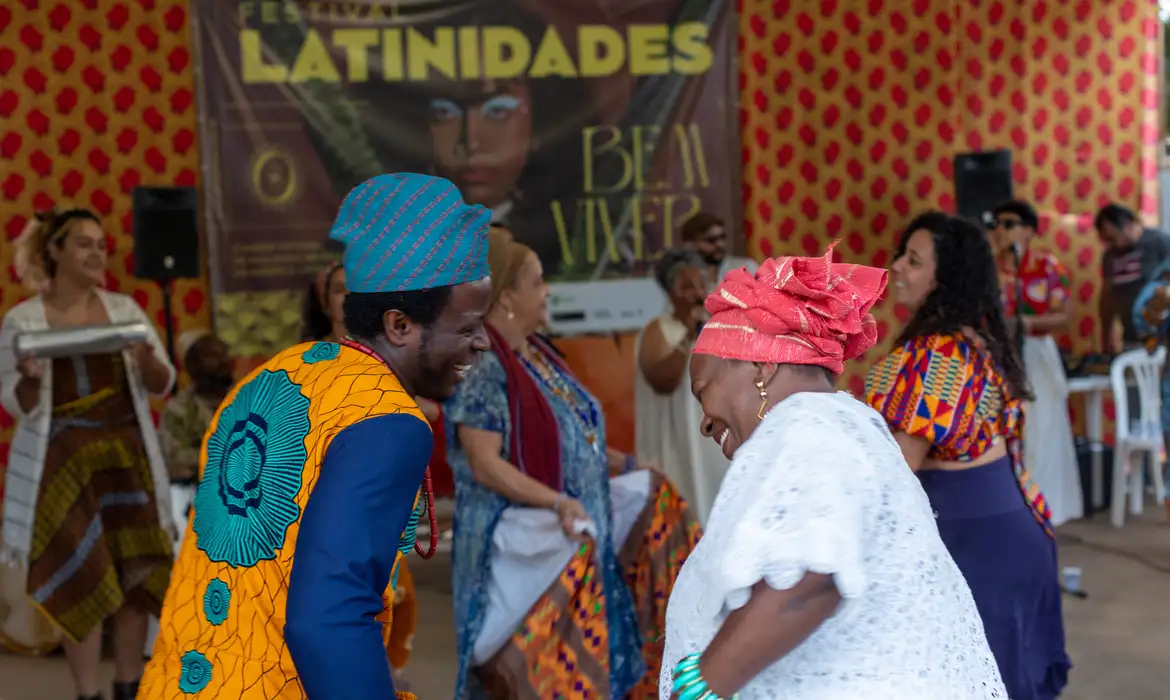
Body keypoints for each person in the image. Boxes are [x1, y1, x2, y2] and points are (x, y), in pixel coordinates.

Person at [139, 173, 494, 700]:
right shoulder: (387, 421)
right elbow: (329, 619)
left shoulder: (272, 378)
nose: (483, 343)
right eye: (466, 328)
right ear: (399, 325)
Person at [659, 248, 1006, 700]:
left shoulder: (809, 426)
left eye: (703, 391)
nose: (704, 421)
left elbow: (809, 583)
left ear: (761, 366)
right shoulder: (836, 426)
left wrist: (699, 688)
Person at [446, 227, 700, 699]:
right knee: (528, 679)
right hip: (523, 557)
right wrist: (558, 501)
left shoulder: (538, 357)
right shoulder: (482, 367)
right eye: (538, 282)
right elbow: (484, 463)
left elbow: (579, 443)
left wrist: (630, 468)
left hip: (574, 540)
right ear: (504, 298)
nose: (547, 293)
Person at [865, 212, 1070, 700]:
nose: (896, 267)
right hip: (1009, 530)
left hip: (974, 545)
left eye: (912, 260)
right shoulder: (975, 342)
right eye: (900, 255)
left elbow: (894, 473)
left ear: (946, 278)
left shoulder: (930, 356)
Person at [0, 206, 177, 700]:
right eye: (84, 243)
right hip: (66, 469)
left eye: (101, 244)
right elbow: (19, 405)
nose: (98, 252)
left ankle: (127, 686)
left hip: (126, 461)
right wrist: (31, 378)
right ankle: (87, 693)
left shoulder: (125, 311)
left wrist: (146, 364)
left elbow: (164, 384)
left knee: (135, 576)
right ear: (55, 250)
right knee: (82, 580)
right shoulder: (23, 321)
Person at [990, 200, 1082, 525]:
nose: (1000, 229)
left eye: (1009, 222)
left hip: (1038, 352)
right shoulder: (989, 270)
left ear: (1029, 230)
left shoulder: (1047, 267)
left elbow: (1065, 316)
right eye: (997, 222)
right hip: (1000, 356)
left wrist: (1027, 325)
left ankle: (1048, 506)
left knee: (1044, 427)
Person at [635, 248, 728, 525]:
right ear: (671, 293)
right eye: (689, 287)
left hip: (713, 447)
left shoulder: (718, 327)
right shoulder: (657, 330)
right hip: (677, 447)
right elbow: (662, 382)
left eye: (703, 284)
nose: (700, 293)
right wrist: (690, 334)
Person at [1096, 202, 1170, 353]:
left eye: (1114, 237)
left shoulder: (1160, 241)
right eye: (1107, 240)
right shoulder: (1110, 256)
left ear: (1129, 225)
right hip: (1131, 340)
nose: (1114, 244)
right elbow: (1107, 296)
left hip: (1162, 340)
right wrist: (1107, 336)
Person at [679, 212, 758, 287]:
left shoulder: (746, 268)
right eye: (711, 240)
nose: (720, 244)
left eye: (722, 237)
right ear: (691, 244)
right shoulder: (683, 275)